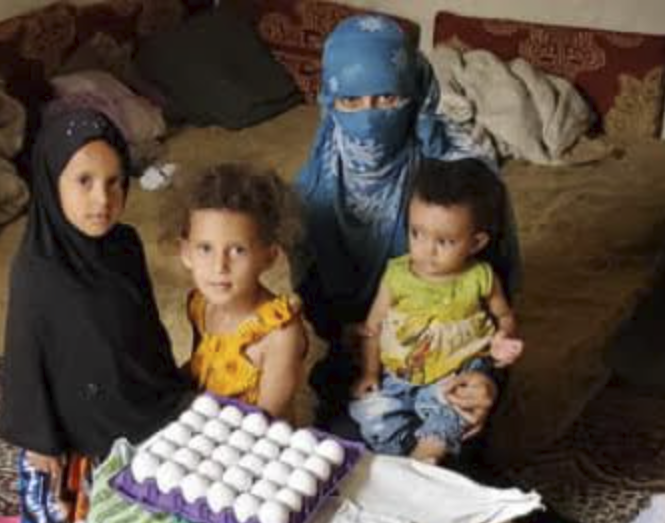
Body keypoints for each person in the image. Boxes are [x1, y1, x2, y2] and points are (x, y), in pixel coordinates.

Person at [0, 108, 192, 523]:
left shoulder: (124, 245)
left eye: (113, 182)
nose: (101, 200)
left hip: (128, 403)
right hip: (68, 431)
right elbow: (24, 355)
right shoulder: (39, 268)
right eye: (83, 181)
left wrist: (169, 392)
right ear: (50, 181)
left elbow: (145, 327)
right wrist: (39, 439)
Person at [294, 14, 518, 434]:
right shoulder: (311, 191)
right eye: (351, 102)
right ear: (329, 101)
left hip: (459, 353)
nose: (370, 117)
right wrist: (357, 342)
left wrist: (485, 373)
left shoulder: (465, 178)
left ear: (415, 95)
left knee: (448, 444)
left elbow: (495, 298)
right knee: (338, 456)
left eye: (387, 99)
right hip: (368, 356)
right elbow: (315, 299)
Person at [351, 157, 524, 464]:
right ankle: (398, 455)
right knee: (374, 411)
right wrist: (369, 371)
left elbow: (504, 316)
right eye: (416, 233)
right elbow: (372, 328)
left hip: (456, 371)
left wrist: (503, 338)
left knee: (453, 407)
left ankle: (428, 454)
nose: (426, 250)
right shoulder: (397, 275)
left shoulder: (481, 277)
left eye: (444, 241)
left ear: (476, 242)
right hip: (401, 373)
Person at [168, 163, 310, 422]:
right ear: (186, 253)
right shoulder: (199, 305)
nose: (219, 266)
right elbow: (204, 369)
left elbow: (265, 422)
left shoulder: (280, 335)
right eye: (205, 248)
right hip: (206, 426)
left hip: (256, 446)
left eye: (237, 250)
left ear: (269, 257)